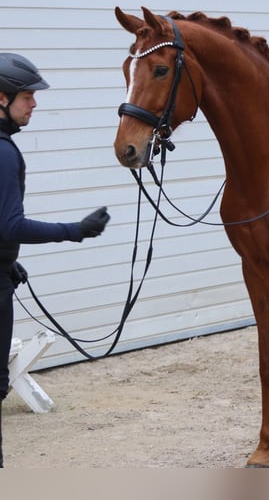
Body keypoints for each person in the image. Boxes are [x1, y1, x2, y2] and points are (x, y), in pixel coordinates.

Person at [0, 53, 110, 468]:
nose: (34, 104)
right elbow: (10, 225)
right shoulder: (4, 153)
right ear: (1, 98)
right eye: (27, 96)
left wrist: (7, 262)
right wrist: (75, 230)